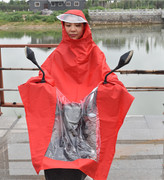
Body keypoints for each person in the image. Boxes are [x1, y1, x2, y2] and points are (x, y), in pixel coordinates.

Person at [18, 9, 134, 180]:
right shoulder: (59, 51)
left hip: (85, 114)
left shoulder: (95, 52)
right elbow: (45, 74)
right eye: (68, 25)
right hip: (61, 113)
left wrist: (112, 86)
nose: (72, 29)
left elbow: (107, 75)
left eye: (77, 25)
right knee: (55, 154)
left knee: (83, 156)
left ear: (84, 27)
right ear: (63, 27)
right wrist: (38, 82)